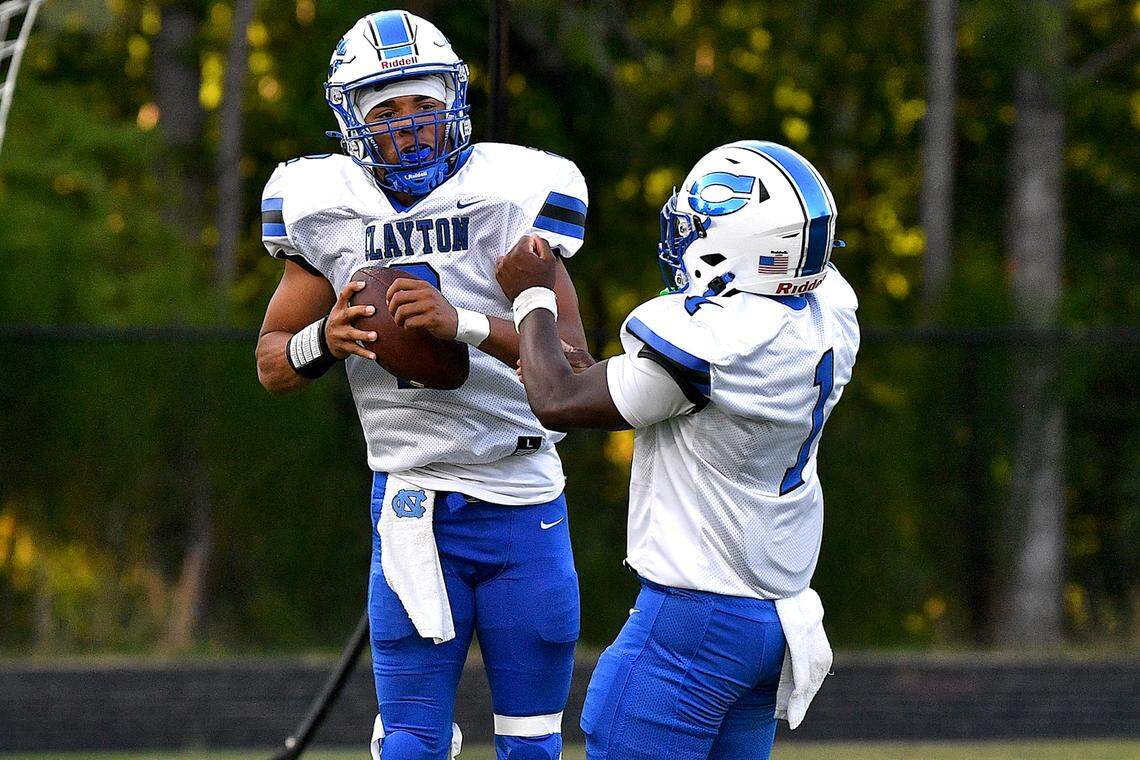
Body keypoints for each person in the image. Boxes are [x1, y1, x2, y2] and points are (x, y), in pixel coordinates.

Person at [255, 10, 593, 760]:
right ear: (351, 121)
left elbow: (575, 366)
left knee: (533, 748)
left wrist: (465, 324)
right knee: (410, 746)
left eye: (421, 105)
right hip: (412, 497)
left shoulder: (513, 193)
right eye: (387, 110)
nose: (407, 126)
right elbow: (273, 360)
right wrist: (326, 338)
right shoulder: (324, 207)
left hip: (523, 492)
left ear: (453, 104)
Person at [495, 140, 860, 759]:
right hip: (773, 619)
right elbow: (598, 377)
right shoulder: (828, 313)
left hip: (691, 628)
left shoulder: (716, 345)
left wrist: (532, 296)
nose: (683, 236)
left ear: (736, 246)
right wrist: (468, 327)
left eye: (698, 225)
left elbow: (557, 398)